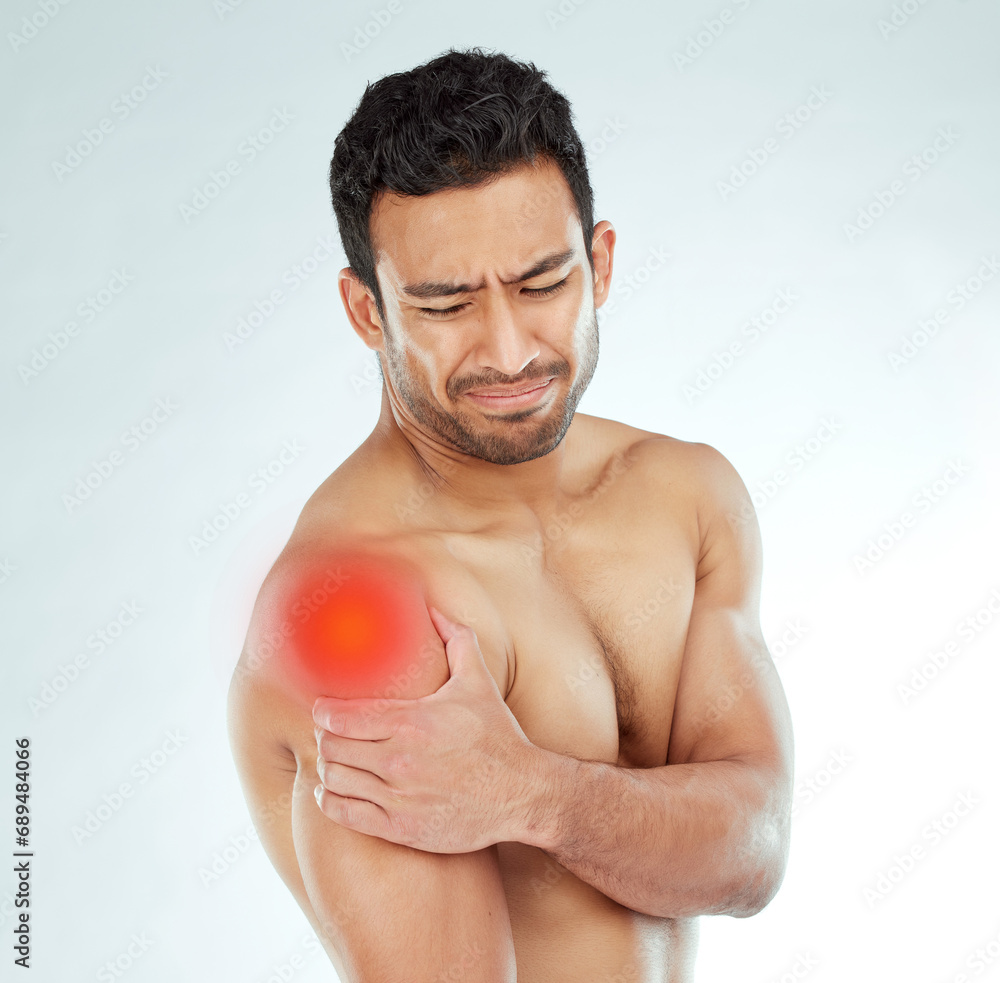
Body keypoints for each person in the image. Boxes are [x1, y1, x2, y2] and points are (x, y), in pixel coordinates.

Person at [227, 46, 794, 983]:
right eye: (446, 304)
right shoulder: (350, 609)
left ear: (599, 262)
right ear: (368, 312)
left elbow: (754, 849)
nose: (509, 348)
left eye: (541, 285)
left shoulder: (686, 495)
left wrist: (537, 795)